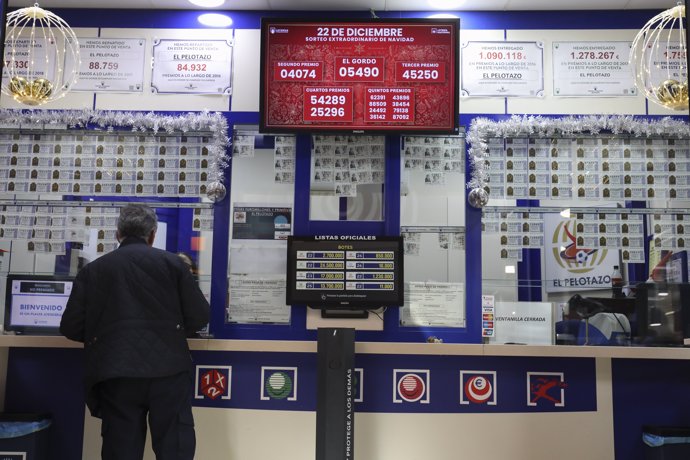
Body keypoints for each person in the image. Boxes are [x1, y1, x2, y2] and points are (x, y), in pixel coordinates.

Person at [60, 204, 210, 460]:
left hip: (116, 374)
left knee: (121, 451)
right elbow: (199, 317)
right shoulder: (174, 265)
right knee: (175, 449)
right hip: (169, 373)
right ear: (152, 234)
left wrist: (106, 333)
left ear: (118, 234)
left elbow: (71, 327)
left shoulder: (93, 271)